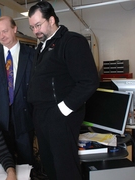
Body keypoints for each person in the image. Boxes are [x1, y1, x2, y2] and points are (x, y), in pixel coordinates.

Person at [27, 2, 99, 180]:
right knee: (50, 168)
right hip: (43, 117)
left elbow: (89, 81)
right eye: (32, 27)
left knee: (65, 170)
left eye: (38, 25)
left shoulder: (71, 42)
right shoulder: (42, 47)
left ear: (51, 20)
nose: (35, 31)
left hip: (60, 117)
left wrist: (62, 111)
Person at [0, 16, 35, 165]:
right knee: (5, 159)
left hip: (25, 116)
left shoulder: (31, 55)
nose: (2, 36)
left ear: (14, 29)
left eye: (5, 31)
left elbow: (37, 86)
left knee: (26, 160)